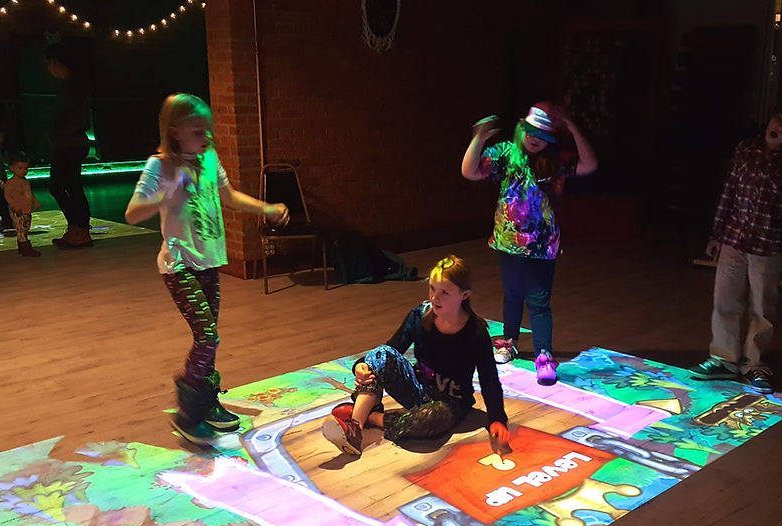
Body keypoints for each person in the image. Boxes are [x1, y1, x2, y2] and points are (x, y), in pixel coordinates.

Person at [124, 93, 290, 443]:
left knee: (208, 341)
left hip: (209, 262)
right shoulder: (161, 166)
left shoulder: (210, 158)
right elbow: (133, 213)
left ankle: (208, 401)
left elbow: (228, 196)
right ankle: (189, 411)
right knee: (208, 337)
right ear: (175, 132)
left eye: (209, 130)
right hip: (179, 265)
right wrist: (169, 190)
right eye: (198, 130)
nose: (207, 137)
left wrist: (266, 208)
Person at [321, 255, 512, 458]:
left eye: (444, 292)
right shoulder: (420, 315)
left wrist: (497, 419)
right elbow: (391, 349)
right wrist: (361, 366)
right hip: (418, 389)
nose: (435, 297)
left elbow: (489, 379)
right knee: (380, 354)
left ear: (464, 295)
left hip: (449, 404)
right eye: (432, 288)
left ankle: (370, 416)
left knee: (429, 420)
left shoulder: (475, 332)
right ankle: (355, 428)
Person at [461, 102, 597, 385]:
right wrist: (479, 139)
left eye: (544, 135)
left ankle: (544, 354)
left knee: (538, 302)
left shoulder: (557, 161)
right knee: (512, 295)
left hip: (542, 246)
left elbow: (589, 164)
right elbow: (470, 171)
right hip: (508, 242)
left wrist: (571, 126)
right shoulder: (505, 154)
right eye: (531, 131)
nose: (536, 139)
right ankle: (508, 343)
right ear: (522, 128)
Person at [688, 108, 782, 394]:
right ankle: (723, 359)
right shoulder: (746, 149)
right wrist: (717, 234)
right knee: (725, 301)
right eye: (779, 120)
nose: (781, 127)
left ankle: (755, 363)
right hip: (735, 238)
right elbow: (729, 191)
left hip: (769, 244)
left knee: (763, 308)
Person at [45, 43, 93, 249]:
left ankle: (79, 228)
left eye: (48, 63)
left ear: (56, 63)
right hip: (70, 143)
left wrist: (57, 132)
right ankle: (78, 228)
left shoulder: (72, 88)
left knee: (61, 185)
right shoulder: (71, 86)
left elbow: (78, 120)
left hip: (70, 144)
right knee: (69, 185)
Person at [3, 151, 42, 257]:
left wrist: (35, 202)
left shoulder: (25, 181)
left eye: (25, 168)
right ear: (12, 168)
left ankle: (22, 247)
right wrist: (15, 206)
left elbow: (29, 193)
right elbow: (7, 196)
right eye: (20, 168)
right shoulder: (10, 183)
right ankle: (26, 248)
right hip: (18, 211)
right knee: (20, 229)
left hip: (27, 210)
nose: (24, 171)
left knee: (25, 228)